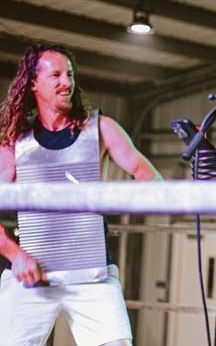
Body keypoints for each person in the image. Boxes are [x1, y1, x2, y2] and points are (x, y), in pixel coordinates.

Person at [0, 43, 163, 346]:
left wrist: (111, 198)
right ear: (33, 83)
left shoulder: (101, 129)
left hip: (91, 274)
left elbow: (152, 179)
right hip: (32, 274)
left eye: (70, 74)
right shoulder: (16, 143)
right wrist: (14, 254)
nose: (67, 82)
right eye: (56, 75)